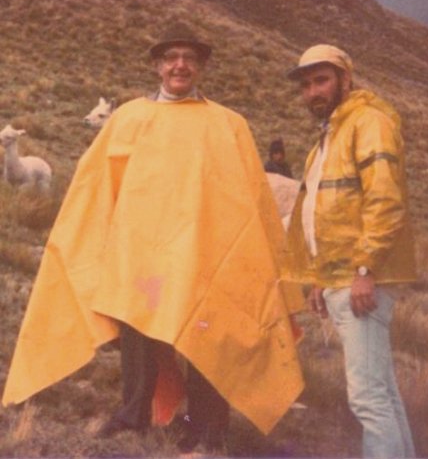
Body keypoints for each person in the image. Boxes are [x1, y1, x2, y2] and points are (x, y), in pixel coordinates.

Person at [2, 23, 304, 455]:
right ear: (158, 66)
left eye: (189, 58)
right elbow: (97, 184)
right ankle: (133, 415)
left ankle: (205, 425)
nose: (180, 65)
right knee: (138, 332)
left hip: (204, 253)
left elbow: (251, 197)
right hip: (140, 253)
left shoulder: (228, 124)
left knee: (208, 330)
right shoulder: (129, 118)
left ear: (201, 66)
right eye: (171, 58)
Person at [286, 44, 416, 458]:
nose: (313, 92)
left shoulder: (368, 122)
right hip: (342, 279)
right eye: (306, 85)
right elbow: (327, 215)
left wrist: (364, 269)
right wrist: (319, 280)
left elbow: (385, 201)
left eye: (321, 80)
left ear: (346, 79)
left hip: (362, 280)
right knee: (382, 392)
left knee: (367, 398)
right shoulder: (329, 136)